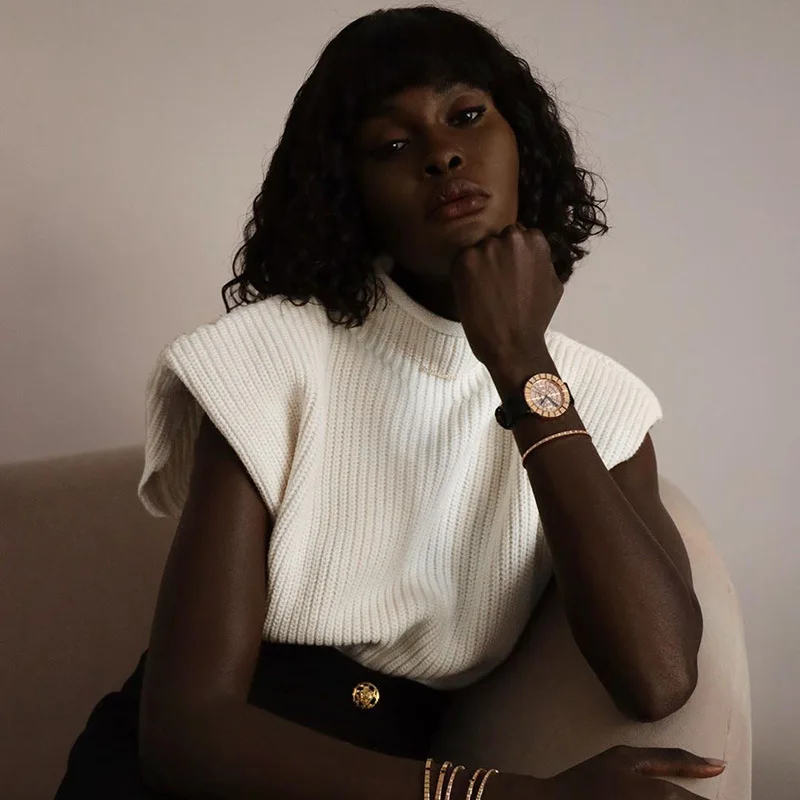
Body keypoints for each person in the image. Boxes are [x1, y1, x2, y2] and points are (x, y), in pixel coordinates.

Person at [55, 5, 728, 799]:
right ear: (353, 192)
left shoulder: (605, 404)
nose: (442, 154)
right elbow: (186, 734)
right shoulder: (269, 357)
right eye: (393, 146)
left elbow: (659, 676)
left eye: (466, 115)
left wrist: (520, 363)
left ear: (523, 141)